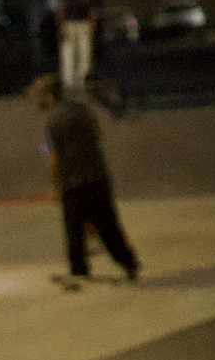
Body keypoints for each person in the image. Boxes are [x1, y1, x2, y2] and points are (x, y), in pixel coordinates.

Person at [30, 74, 140, 290]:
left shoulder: (54, 120)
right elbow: (96, 134)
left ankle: (79, 270)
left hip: (74, 181)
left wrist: (55, 187)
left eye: (40, 96)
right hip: (97, 175)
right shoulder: (81, 110)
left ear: (50, 97)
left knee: (73, 228)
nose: (37, 101)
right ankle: (128, 263)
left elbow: (55, 158)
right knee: (108, 223)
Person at [57, 0, 103, 94]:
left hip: (83, 25)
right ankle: (69, 85)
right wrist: (60, 27)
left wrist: (92, 25)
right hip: (69, 24)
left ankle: (83, 83)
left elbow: (93, 10)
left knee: (84, 54)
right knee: (68, 54)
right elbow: (60, 9)